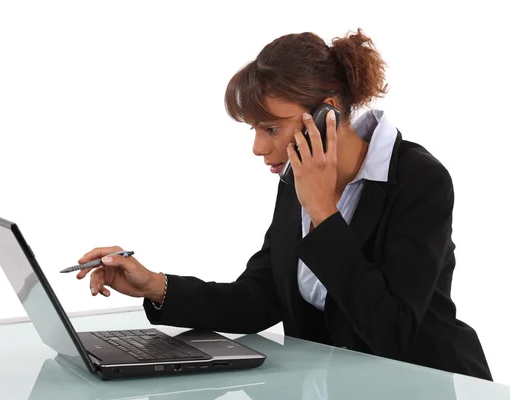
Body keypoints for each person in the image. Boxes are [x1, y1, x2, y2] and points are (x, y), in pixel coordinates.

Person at [75, 28, 492, 381]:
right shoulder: (297, 176)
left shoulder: (418, 180)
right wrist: (155, 285)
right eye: (255, 129)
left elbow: (393, 332)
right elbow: (261, 295)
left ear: (327, 113)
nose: (258, 147)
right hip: (340, 384)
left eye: (271, 128)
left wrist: (323, 215)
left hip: (426, 382)